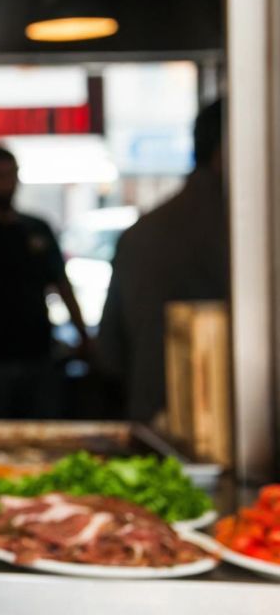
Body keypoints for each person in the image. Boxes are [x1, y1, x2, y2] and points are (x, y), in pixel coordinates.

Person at [96, 100, 228, 423]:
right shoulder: (250, 236)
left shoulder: (140, 234)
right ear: (224, 154)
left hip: (152, 423)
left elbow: (109, 355)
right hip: (226, 424)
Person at [0, 146, 90, 419]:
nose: (5, 182)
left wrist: (83, 336)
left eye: (9, 174)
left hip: (37, 353)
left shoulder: (37, 229)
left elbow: (62, 284)